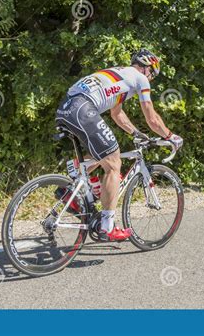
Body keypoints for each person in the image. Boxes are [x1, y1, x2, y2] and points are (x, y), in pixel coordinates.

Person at [55, 49, 183, 241]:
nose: (151, 79)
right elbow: (151, 117)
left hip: (67, 107)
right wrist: (170, 136)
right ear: (149, 68)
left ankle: (73, 189)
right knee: (114, 163)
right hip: (83, 109)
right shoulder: (140, 78)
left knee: (105, 154)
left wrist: (136, 133)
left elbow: (117, 114)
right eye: (152, 75)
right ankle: (107, 226)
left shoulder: (120, 74)